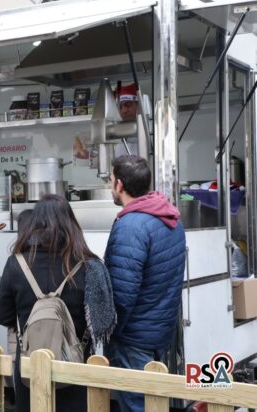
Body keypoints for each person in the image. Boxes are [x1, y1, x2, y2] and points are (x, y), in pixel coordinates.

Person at [0, 195, 116, 412]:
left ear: (34, 224)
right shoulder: (89, 266)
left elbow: (2, 315)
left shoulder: (16, 263)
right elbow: (102, 324)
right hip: (75, 367)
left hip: (30, 367)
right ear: (72, 224)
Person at [104, 155, 186, 412]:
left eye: (110, 179)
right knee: (154, 403)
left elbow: (122, 295)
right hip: (159, 332)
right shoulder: (170, 216)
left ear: (119, 184)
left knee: (138, 405)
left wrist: (110, 332)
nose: (109, 185)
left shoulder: (130, 226)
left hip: (133, 338)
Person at [115, 83, 139, 157]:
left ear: (138, 105)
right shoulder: (120, 138)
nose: (124, 111)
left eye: (128, 105)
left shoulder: (151, 132)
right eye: (120, 107)